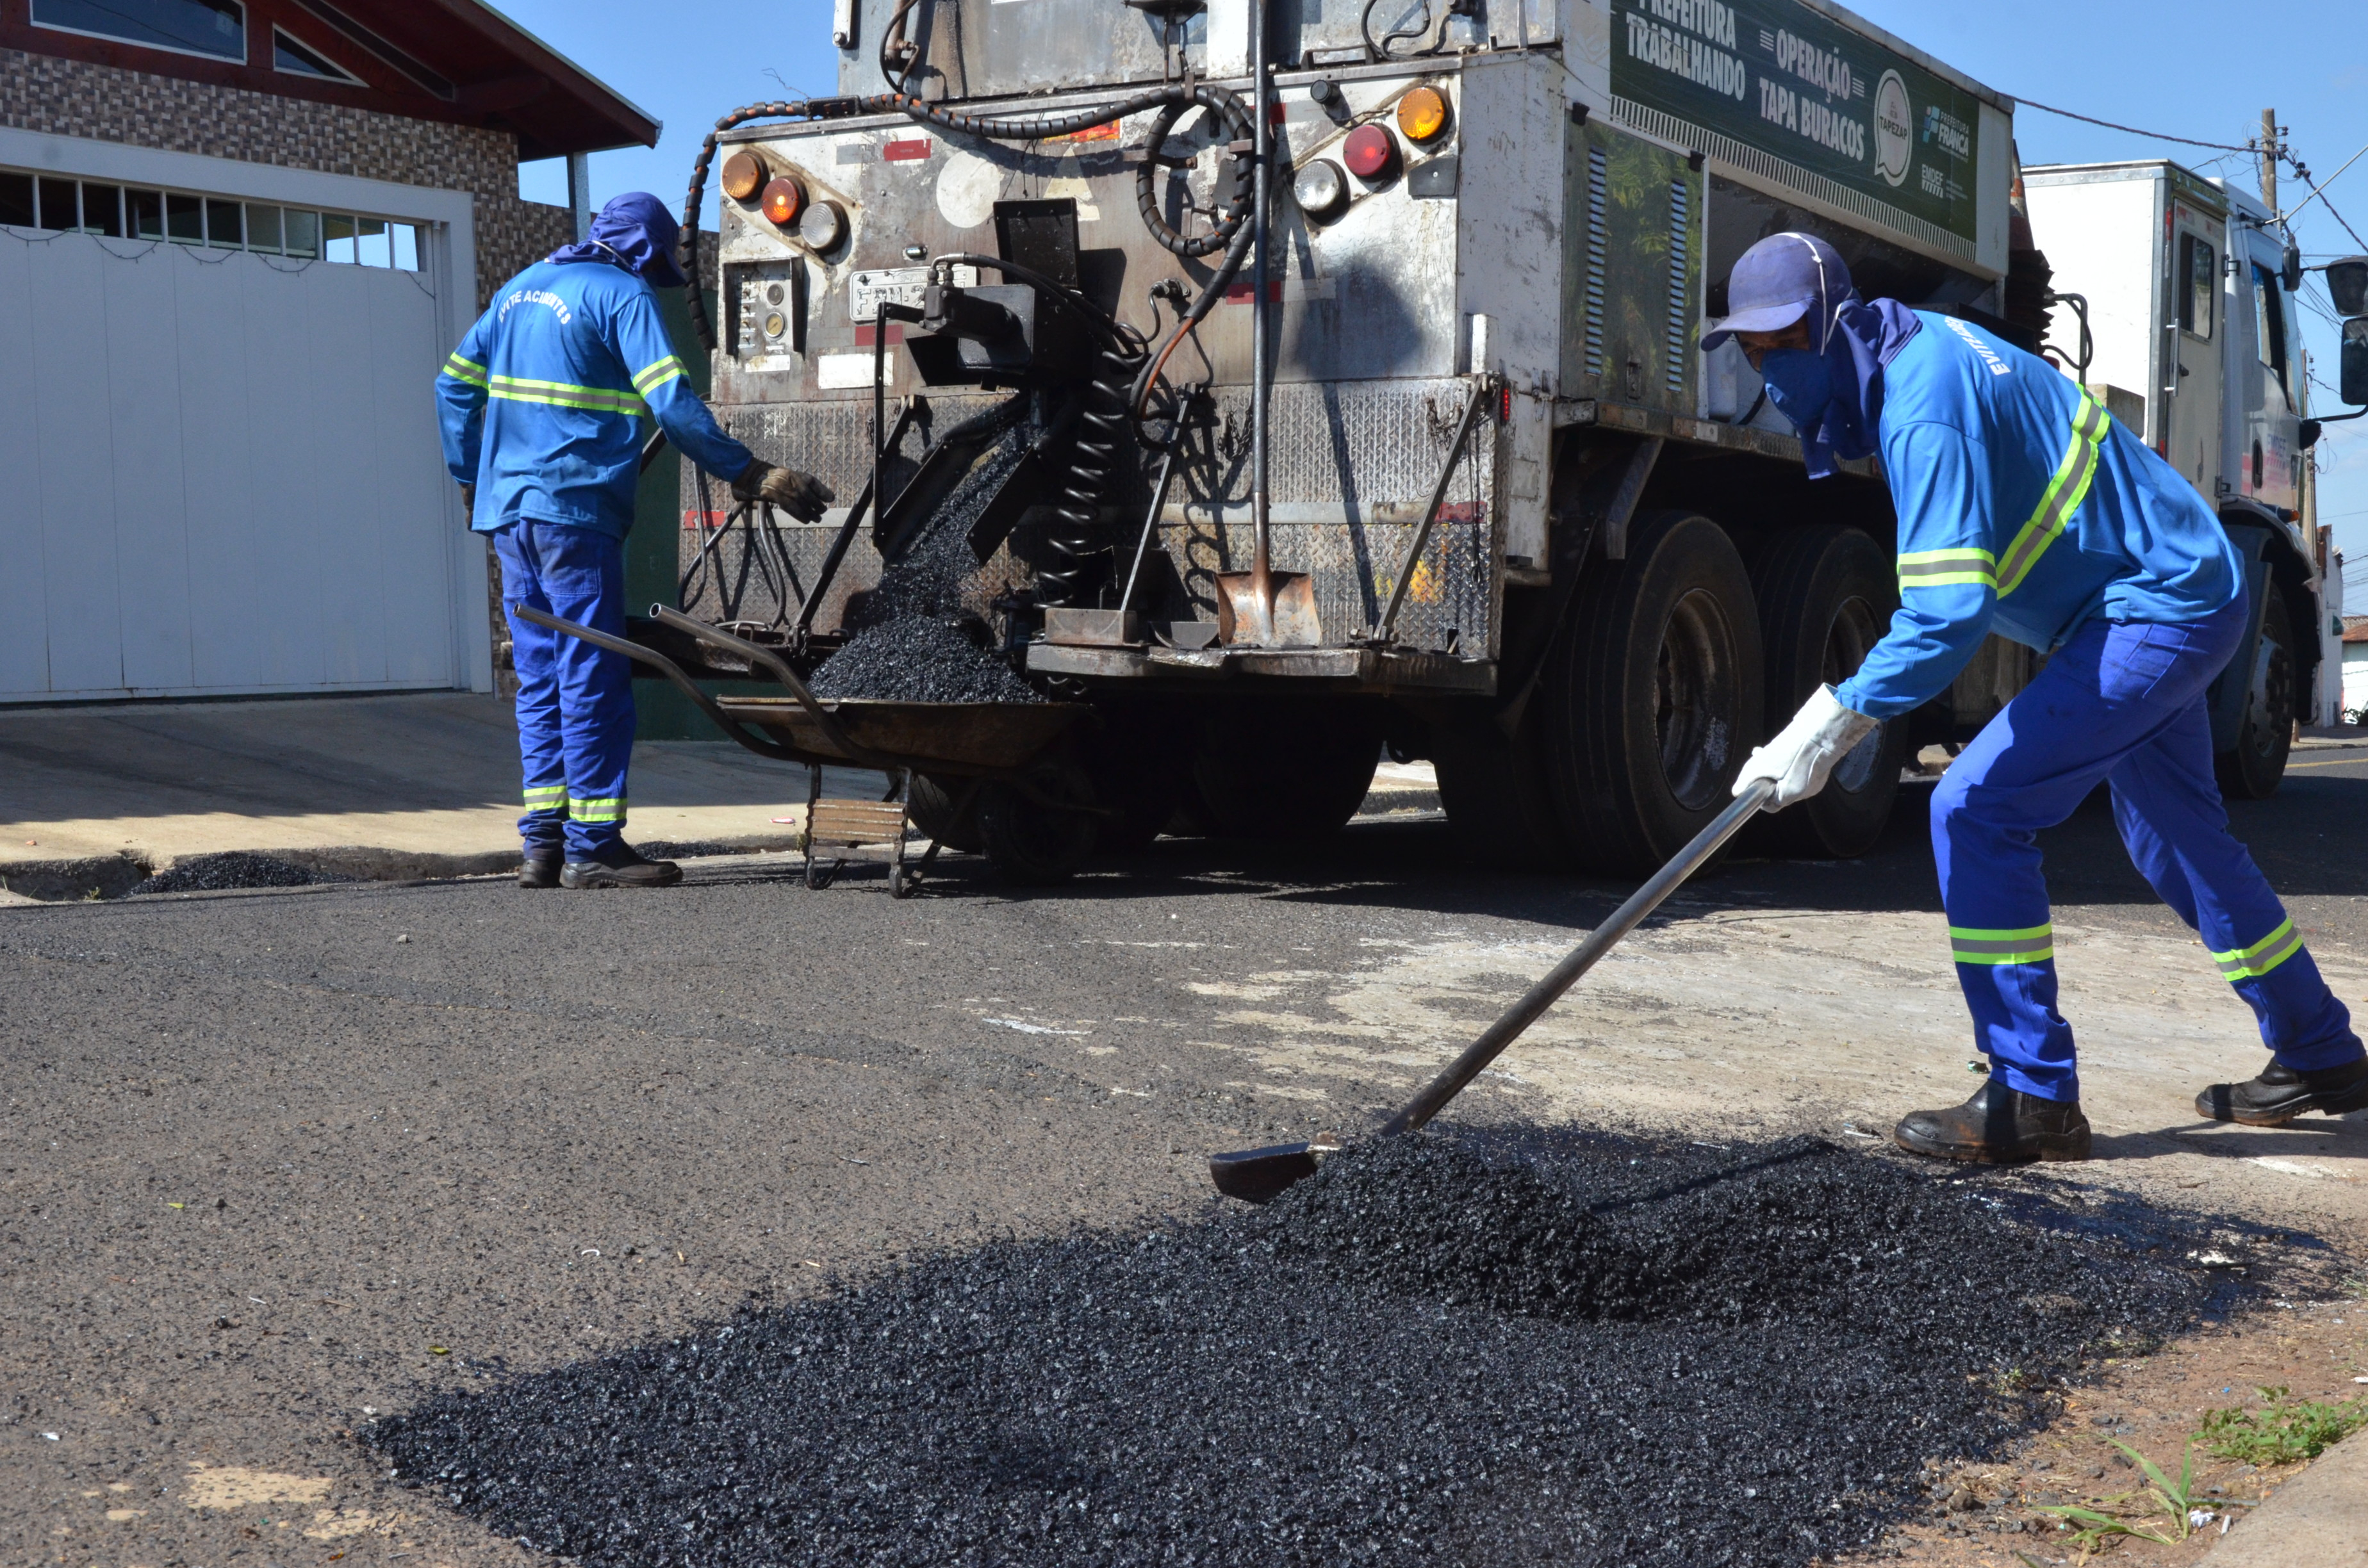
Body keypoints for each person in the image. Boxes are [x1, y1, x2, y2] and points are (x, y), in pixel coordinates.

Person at [1707, 231, 2366, 1163]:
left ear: (1835, 322)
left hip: (2155, 607)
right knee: (2174, 837)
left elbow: (1945, 618)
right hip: (2166, 590)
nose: (1772, 370)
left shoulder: (1924, 406)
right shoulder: (1909, 353)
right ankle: (2322, 1049)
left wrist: (1827, 726)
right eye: (1753, 351)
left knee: (1975, 808)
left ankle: (2032, 1094)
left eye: (1785, 343)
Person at [438, 192, 832, 889]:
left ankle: (543, 846)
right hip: (575, 512)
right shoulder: (621, 295)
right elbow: (673, 404)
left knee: (540, 678)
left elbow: (452, 388)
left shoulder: (519, 290)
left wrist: (474, 475)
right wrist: (748, 472)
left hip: (511, 517)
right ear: (646, 251)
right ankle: (593, 848)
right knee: (592, 675)